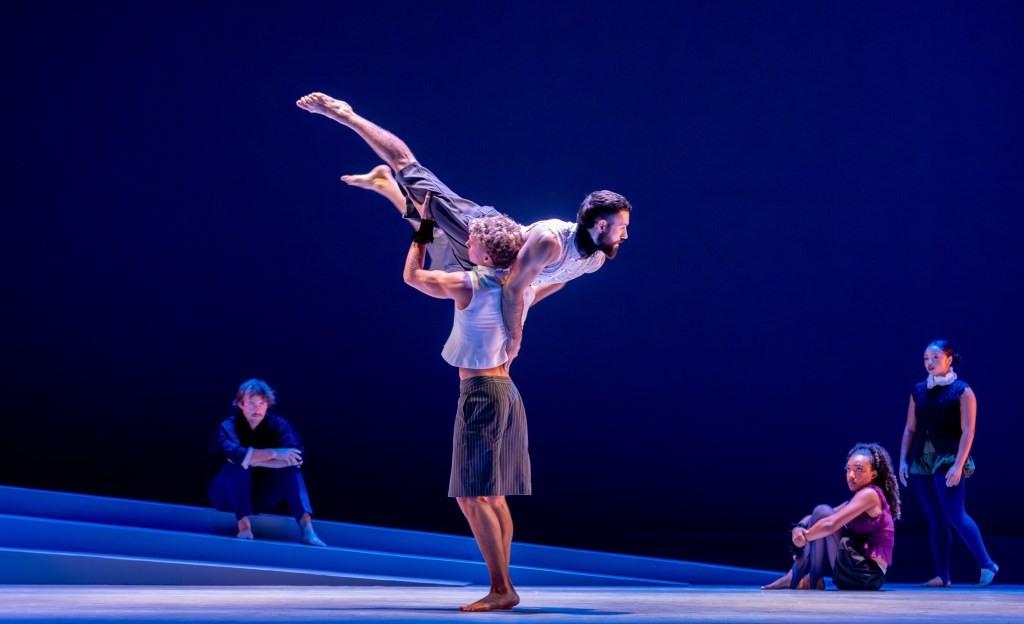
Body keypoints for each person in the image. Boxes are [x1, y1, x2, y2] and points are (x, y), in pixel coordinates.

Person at [296, 92, 631, 368]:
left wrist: (521, 309)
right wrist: (514, 338)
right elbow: (514, 289)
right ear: (600, 224)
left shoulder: (595, 260)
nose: (625, 235)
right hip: (489, 238)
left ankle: (386, 186)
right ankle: (346, 115)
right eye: (621, 228)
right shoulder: (549, 240)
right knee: (410, 170)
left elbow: (553, 281)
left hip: (489, 270)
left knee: (433, 237)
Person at [402, 203, 559, 611]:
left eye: (471, 240)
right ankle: (503, 585)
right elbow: (554, 283)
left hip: (482, 394)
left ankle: (502, 588)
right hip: (505, 391)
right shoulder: (517, 287)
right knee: (493, 497)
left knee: (472, 497)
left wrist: (424, 229)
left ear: (486, 254)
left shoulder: (469, 284)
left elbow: (413, 276)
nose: (466, 242)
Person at [899, 340, 998, 588]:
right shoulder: (918, 390)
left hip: (949, 457)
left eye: (935, 357)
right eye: (926, 359)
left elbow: (968, 431)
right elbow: (910, 429)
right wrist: (902, 460)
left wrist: (958, 464)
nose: (929, 362)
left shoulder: (962, 391)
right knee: (936, 517)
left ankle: (987, 564)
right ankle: (943, 576)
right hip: (923, 459)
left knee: (955, 513)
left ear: (949, 359)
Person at [761, 443, 900, 591]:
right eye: (848, 469)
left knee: (823, 514)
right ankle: (811, 579)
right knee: (821, 513)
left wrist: (803, 540)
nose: (851, 475)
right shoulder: (859, 497)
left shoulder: (870, 494)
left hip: (867, 573)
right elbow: (817, 517)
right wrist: (797, 528)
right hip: (861, 572)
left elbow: (830, 524)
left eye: (859, 469)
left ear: (873, 474)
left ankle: (801, 578)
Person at [207, 378, 326, 547]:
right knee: (237, 466)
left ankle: (308, 531)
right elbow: (236, 455)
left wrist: (254, 460)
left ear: (267, 405)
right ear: (241, 404)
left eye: (261, 404)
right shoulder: (229, 426)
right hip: (225, 495)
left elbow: (296, 456)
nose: (257, 409)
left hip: (258, 496)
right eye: (252, 404)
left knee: (291, 470)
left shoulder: (277, 424)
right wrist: (276, 453)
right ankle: (244, 527)